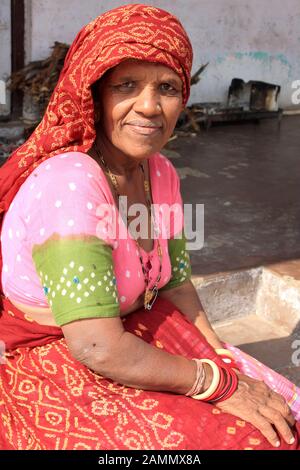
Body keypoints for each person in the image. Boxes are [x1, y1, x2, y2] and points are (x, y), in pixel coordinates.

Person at [0, 4, 299, 451]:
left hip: (133, 325)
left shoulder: (158, 172)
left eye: (167, 88)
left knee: (285, 412)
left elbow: (176, 282)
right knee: (250, 441)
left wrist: (220, 355)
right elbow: (97, 348)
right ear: (95, 95)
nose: (149, 107)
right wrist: (216, 384)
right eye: (126, 86)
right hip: (58, 349)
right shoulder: (71, 183)